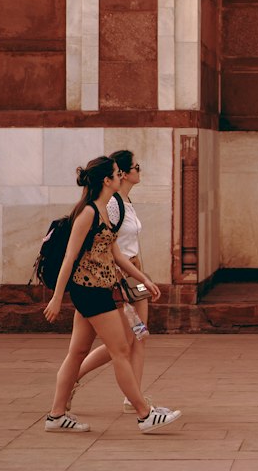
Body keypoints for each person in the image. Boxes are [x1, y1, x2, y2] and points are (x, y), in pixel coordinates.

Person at [42, 155, 182, 435]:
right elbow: (69, 258)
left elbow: (116, 254)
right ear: (107, 180)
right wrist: (57, 297)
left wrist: (145, 280)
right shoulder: (89, 213)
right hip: (91, 292)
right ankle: (144, 414)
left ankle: (56, 415)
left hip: (98, 289)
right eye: (118, 173)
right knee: (120, 350)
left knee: (78, 352)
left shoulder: (104, 210)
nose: (121, 176)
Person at [67, 148, 150, 411]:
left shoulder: (127, 203)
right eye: (136, 167)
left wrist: (143, 276)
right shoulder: (112, 205)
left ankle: (133, 397)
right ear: (122, 174)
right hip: (116, 280)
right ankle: (73, 377)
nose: (140, 171)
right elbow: (104, 246)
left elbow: (130, 243)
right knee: (121, 342)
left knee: (139, 336)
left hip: (134, 277)